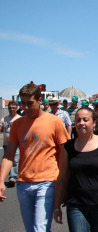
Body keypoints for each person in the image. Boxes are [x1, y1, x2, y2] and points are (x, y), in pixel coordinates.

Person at [0, 82, 70, 232]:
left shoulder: (55, 122)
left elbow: (65, 153)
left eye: (29, 103)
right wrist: (1, 181)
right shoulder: (17, 124)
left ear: (39, 101)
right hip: (23, 183)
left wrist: (64, 182)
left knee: (40, 229)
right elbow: (9, 155)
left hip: (47, 182)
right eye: (22, 103)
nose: (25, 108)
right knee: (31, 229)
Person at [0, 101, 21, 187]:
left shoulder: (20, 119)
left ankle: (13, 177)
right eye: (10, 108)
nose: (11, 109)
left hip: (16, 144)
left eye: (13, 108)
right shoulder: (4, 119)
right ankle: (10, 175)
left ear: (16, 108)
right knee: (7, 160)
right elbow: (1, 129)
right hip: (6, 144)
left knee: (15, 160)